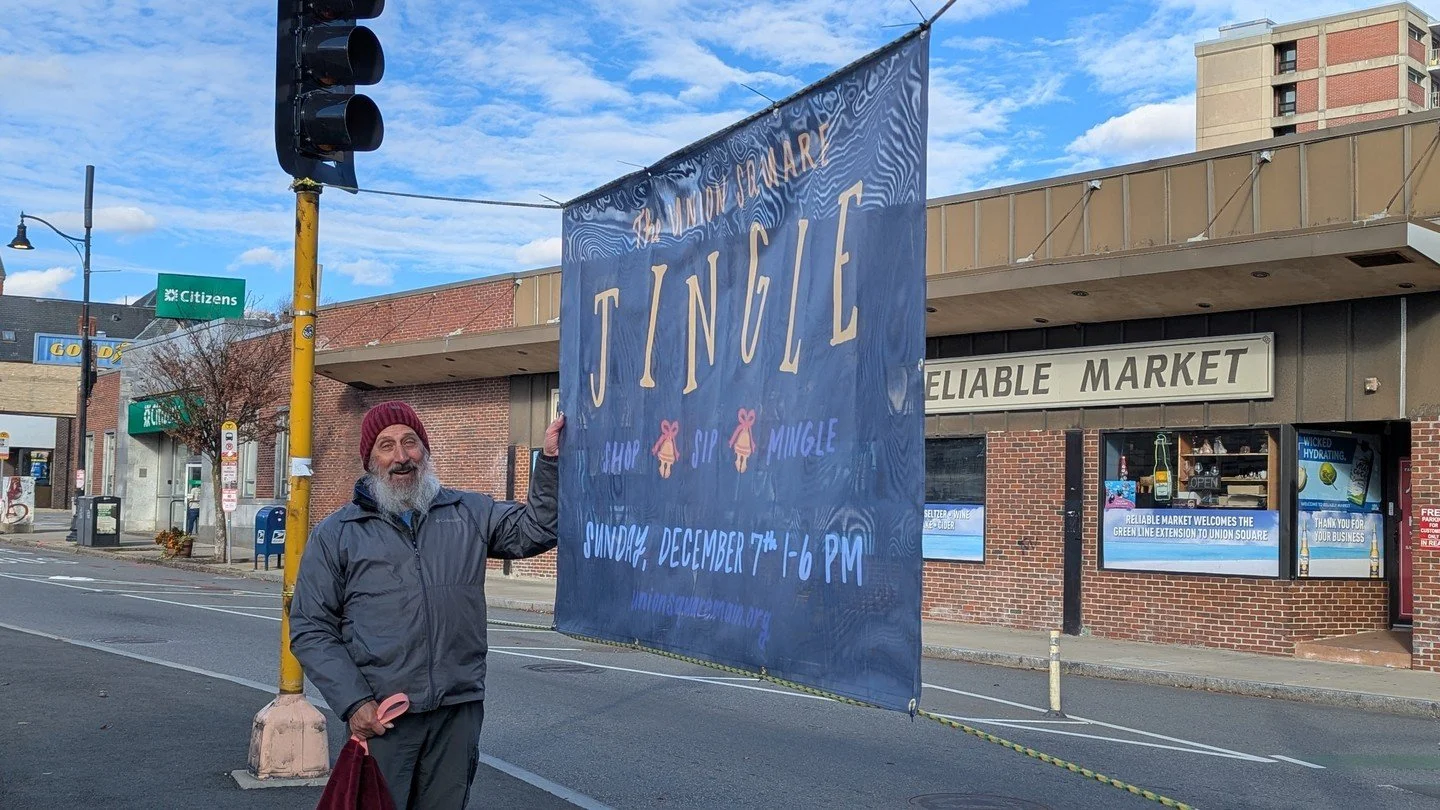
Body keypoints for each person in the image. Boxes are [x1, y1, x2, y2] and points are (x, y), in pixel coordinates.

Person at [290, 400, 563, 809]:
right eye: (386, 446)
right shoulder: (337, 534)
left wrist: (550, 461)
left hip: (457, 709)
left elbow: (538, 529)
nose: (401, 457)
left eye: (410, 442)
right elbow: (311, 627)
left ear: (426, 450)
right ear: (369, 460)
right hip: (384, 714)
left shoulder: (468, 512)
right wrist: (354, 703)